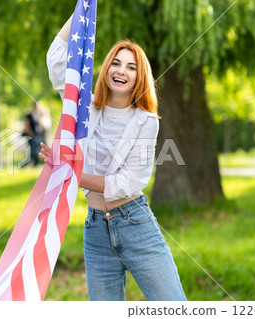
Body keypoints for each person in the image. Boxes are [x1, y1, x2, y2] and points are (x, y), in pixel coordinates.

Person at [39, 14, 186, 301]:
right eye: (116, 63)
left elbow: (129, 182)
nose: (122, 70)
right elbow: (56, 59)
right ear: (106, 68)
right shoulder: (86, 108)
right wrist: (83, 7)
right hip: (95, 230)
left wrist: (71, 174)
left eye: (131, 67)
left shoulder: (146, 121)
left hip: (135, 225)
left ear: (139, 76)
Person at [23, 101, 51, 167]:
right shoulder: (29, 115)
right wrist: (30, 133)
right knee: (32, 150)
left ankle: (35, 163)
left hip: (37, 135)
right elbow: (27, 125)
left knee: (37, 149)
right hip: (31, 135)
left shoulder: (37, 116)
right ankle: (31, 163)